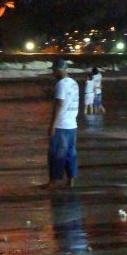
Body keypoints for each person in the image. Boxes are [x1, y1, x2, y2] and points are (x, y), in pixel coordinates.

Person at [47, 58, 80, 187]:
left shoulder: (61, 84)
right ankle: (71, 180)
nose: (53, 73)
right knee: (70, 153)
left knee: (55, 154)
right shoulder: (74, 83)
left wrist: (52, 125)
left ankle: (53, 181)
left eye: (54, 70)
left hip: (61, 125)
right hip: (72, 125)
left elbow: (59, 104)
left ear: (59, 70)